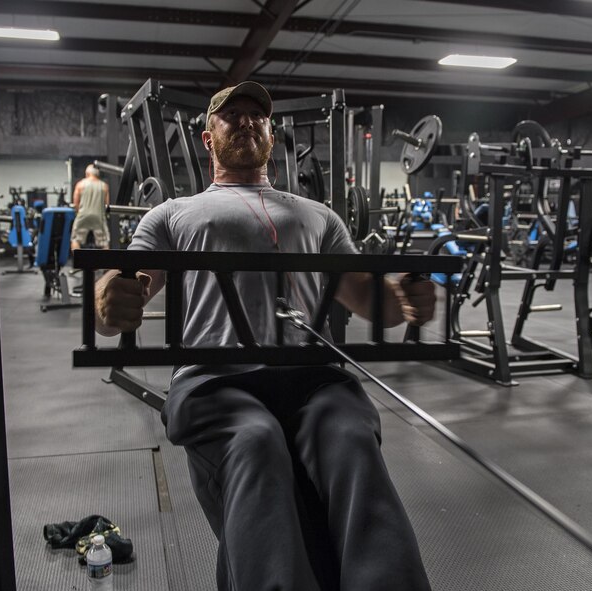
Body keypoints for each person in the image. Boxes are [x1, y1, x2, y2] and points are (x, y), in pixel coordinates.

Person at [94, 81, 434, 591]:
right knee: (256, 442)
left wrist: (405, 302)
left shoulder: (319, 216)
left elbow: (369, 298)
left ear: (272, 135)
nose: (248, 121)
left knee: (350, 436)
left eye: (258, 115)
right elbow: (124, 282)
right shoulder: (172, 214)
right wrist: (108, 299)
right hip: (215, 381)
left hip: (311, 379)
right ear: (208, 138)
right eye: (233, 116)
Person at [70, 165, 110, 251]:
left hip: (83, 216)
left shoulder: (80, 185)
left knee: (75, 239)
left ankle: (79, 262)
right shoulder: (104, 186)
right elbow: (107, 205)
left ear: (87, 173)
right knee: (104, 243)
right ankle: (107, 263)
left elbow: (76, 203)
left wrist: (78, 213)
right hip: (98, 217)